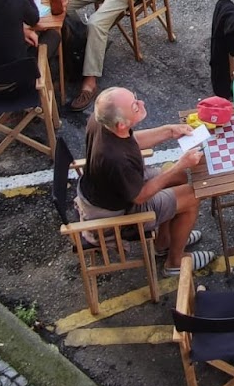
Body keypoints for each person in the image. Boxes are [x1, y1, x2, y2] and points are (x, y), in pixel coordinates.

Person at [78, 86, 215, 275]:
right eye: (135, 106)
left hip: (104, 192)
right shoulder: (116, 160)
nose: (141, 103)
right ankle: (175, 262)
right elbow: (140, 196)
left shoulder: (100, 120)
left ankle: (164, 242)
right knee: (192, 196)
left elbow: (129, 140)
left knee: (179, 178)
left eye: (136, 98)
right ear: (121, 124)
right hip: (118, 214)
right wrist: (180, 164)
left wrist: (169, 131)